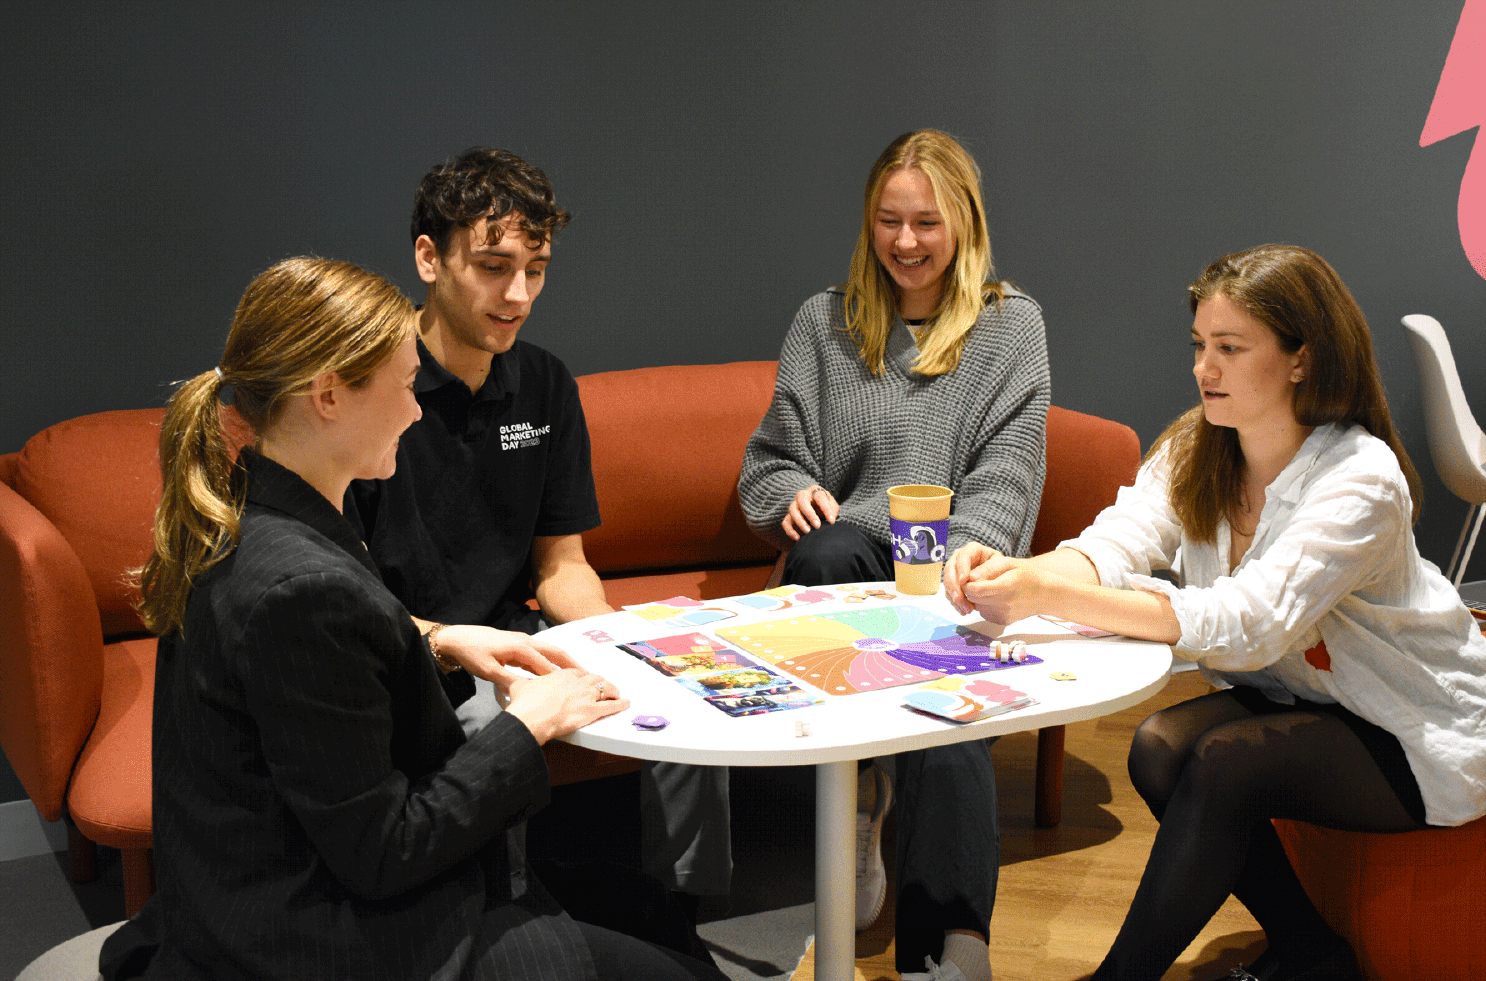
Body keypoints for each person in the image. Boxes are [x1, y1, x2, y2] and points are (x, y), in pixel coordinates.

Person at [112, 256, 726, 981]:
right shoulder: (301, 589)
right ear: (329, 396)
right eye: (405, 388)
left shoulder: (255, 516)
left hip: (278, 893)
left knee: (645, 909)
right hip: (327, 940)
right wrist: (526, 725)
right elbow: (386, 850)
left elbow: (315, 694)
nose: (414, 411)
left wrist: (435, 640)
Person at [943, 244, 1486, 980]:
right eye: (1200, 345)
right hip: (1313, 693)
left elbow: (1247, 624)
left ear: (1301, 358)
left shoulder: (1361, 478)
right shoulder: (1202, 446)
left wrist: (1048, 596)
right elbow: (1114, 545)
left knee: (1226, 766)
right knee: (1159, 747)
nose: (1204, 368)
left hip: (1416, 722)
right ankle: (1313, 951)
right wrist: (1014, 574)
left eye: (1230, 348)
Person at [344, 148, 731, 915]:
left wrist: (636, 648)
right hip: (414, 660)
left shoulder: (544, 382)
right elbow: (351, 603)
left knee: (687, 689)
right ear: (429, 257)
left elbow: (562, 566)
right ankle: (506, 926)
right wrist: (461, 646)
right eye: (492, 266)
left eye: (536, 269)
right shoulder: (374, 388)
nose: (517, 295)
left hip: (518, 636)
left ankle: (680, 913)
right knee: (495, 724)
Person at [739, 129, 1050, 981]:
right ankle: (860, 795)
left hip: (948, 567)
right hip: (845, 560)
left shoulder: (1010, 327)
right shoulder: (824, 322)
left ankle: (948, 947)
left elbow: (1010, 469)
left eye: (927, 223)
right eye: (889, 221)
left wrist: (970, 560)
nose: (906, 243)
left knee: (943, 688)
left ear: (964, 226)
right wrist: (791, 490)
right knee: (831, 548)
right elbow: (772, 459)